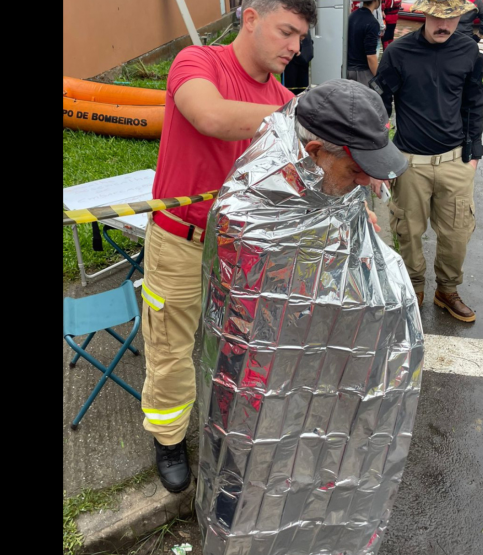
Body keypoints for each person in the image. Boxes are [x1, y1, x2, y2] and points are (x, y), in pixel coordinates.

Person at [141, 0, 318, 494]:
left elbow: (305, 178)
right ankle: (169, 438)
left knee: (238, 351)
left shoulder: (285, 97)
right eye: (287, 32)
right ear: (251, 18)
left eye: (301, 38)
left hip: (244, 250)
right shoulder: (197, 64)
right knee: (170, 348)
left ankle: (227, 438)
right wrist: (300, 120)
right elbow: (211, 116)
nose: (294, 47)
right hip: (181, 240)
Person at [371, 0, 483, 322]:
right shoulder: (398, 52)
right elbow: (381, 107)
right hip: (410, 161)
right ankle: (414, 288)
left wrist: (474, 153)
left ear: (462, 16)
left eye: (451, 17)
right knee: (408, 231)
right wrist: (379, 160)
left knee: (457, 233)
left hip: (455, 160)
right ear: (424, 13)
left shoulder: (468, 51)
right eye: (437, 16)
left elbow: (475, 101)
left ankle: (447, 291)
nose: (443, 25)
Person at [346, 0, 382, 87]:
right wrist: (379, 78)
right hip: (362, 73)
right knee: (374, 96)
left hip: (347, 70)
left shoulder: (351, 16)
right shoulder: (372, 23)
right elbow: (370, 56)